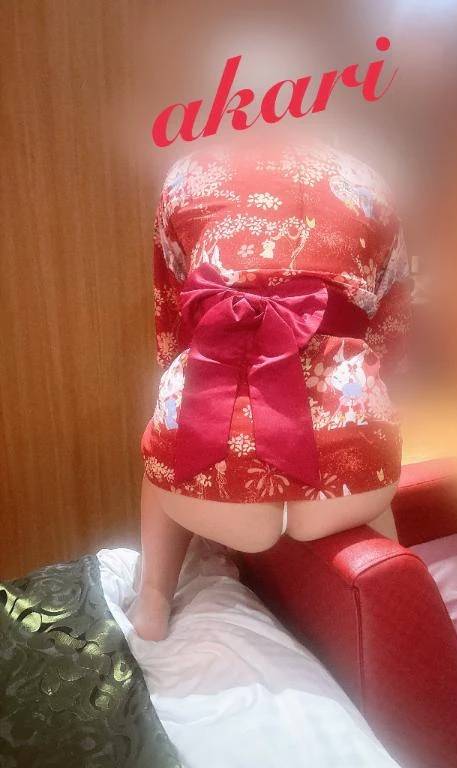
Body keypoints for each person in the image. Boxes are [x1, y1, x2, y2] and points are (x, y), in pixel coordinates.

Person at [130, 134, 412, 640]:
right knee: (372, 425)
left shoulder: (187, 173)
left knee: (161, 437)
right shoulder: (369, 177)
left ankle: (153, 598)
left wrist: (183, 375)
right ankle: (397, 608)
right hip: (347, 473)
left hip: (206, 473)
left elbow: (173, 312)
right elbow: (391, 324)